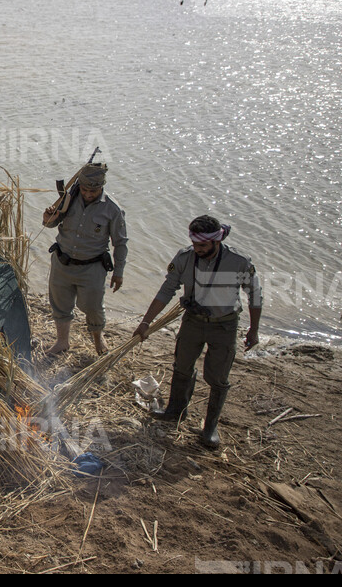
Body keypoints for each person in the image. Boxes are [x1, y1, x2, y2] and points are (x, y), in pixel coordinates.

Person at [133, 215, 262, 449]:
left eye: (202, 245)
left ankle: (210, 427)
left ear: (216, 241)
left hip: (224, 325)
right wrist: (146, 323)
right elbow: (166, 291)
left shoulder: (239, 261)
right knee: (182, 366)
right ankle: (175, 411)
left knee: (217, 377)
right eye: (194, 244)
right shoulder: (185, 258)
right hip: (193, 321)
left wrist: (253, 330)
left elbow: (255, 295)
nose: (197, 249)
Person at [42, 163, 128, 356]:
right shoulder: (68, 200)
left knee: (93, 307)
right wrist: (47, 217)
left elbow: (120, 243)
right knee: (60, 303)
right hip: (62, 262)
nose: (88, 194)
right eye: (85, 189)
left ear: (101, 187)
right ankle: (62, 341)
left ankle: (98, 338)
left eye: (93, 190)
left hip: (92, 267)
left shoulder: (112, 209)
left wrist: (119, 272)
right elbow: (50, 223)